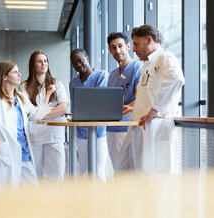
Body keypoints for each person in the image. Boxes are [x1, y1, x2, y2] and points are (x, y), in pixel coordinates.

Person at [0, 61, 54, 189]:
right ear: (5, 76)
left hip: (24, 153)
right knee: (5, 193)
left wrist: (48, 94)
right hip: (5, 152)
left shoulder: (21, 98)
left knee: (33, 191)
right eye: (15, 72)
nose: (19, 74)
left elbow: (37, 115)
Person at [122, 25, 185, 173]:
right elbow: (148, 94)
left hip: (156, 127)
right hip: (142, 126)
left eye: (136, 44)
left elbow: (176, 78)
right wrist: (135, 108)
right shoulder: (146, 65)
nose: (134, 49)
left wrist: (155, 109)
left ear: (149, 40)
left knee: (156, 178)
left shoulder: (165, 58)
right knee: (137, 174)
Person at [20, 50, 68, 181]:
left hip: (54, 135)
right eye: (39, 61)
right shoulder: (24, 86)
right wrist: (49, 112)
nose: (43, 64)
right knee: (35, 176)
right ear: (33, 65)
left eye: (45, 61)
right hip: (34, 136)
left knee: (56, 176)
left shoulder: (57, 84)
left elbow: (63, 108)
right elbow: (27, 111)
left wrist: (39, 115)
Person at [69, 48, 109, 181]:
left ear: (87, 58)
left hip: (99, 132)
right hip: (81, 132)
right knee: (84, 171)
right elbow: (77, 106)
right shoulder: (73, 82)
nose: (78, 65)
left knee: (98, 171)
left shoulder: (101, 75)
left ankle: (101, 200)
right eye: (74, 63)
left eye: (80, 60)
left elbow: (100, 102)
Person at [106, 32, 142, 172]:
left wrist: (125, 107)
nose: (117, 50)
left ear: (128, 46)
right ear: (110, 50)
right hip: (111, 127)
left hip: (127, 127)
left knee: (129, 172)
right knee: (117, 169)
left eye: (120, 46)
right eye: (113, 47)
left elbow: (140, 98)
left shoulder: (138, 69)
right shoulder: (113, 75)